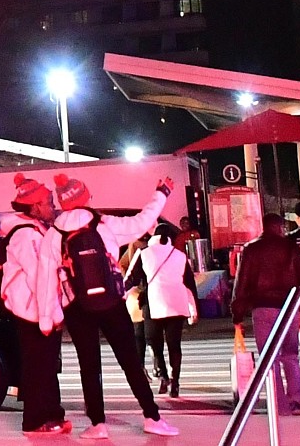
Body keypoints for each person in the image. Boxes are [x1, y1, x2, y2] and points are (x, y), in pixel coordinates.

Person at [53, 173, 175, 439]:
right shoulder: (103, 224)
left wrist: (48, 314)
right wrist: (161, 193)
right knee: (130, 360)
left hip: (76, 306)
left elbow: (46, 274)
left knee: (89, 364)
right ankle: (151, 416)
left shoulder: (55, 232)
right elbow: (142, 221)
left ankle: (97, 424)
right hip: (111, 302)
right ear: (83, 198)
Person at [0, 178, 70, 437]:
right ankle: (36, 419)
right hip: (33, 311)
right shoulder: (27, 235)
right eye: (49, 203)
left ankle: (51, 414)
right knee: (39, 365)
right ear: (35, 207)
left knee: (46, 364)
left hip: (38, 309)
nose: (53, 207)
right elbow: (40, 277)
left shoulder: (35, 230)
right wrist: (50, 314)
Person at [229, 217, 300, 416]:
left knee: (269, 358)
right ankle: (296, 400)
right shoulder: (292, 249)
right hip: (290, 306)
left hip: (262, 307)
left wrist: (237, 314)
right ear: (280, 227)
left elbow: (242, 283)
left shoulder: (251, 249)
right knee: (291, 356)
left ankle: (279, 404)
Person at [133, 225, 194, 398]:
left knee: (153, 340)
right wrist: (194, 307)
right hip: (177, 303)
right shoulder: (180, 256)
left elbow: (131, 279)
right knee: (174, 345)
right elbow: (189, 283)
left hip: (153, 304)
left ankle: (164, 374)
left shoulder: (144, 253)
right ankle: (175, 381)